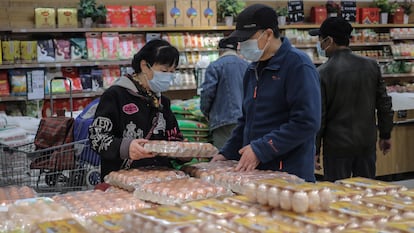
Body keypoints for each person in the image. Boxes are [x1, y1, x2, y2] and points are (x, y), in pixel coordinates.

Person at [211, 4, 322, 182]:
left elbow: (307, 122)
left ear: (268, 34)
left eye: (248, 39)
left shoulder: (298, 66)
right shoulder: (252, 70)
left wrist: (261, 149)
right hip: (256, 173)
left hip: (289, 173)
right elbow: (246, 120)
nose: (242, 45)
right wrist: (227, 153)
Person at [309, 17, 394, 182]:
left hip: (336, 147)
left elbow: (320, 116)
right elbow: (384, 103)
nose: (319, 45)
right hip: (366, 143)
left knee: (338, 196)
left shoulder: (322, 73)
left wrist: (315, 150)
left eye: (320, 40)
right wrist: (385, 134)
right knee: (365, 192)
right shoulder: (371, 65)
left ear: (329, 41)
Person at [89, 39, 183, 180]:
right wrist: (125, 147)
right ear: (145, 66)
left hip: (160, 182)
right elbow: (97, 137)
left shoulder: (163, 102)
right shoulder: (116, 95)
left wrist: (183, 152)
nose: (168, 76)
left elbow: (173, 137)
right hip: (122, 181)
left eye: (172, 72)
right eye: (164, 71)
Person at [200, 37, 249, 149]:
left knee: (223, 161)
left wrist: (206, 112)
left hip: (223, 119)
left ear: (220, 50)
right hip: (245, 119)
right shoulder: (247, 66)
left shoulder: (215, 66)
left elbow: (208, 93)